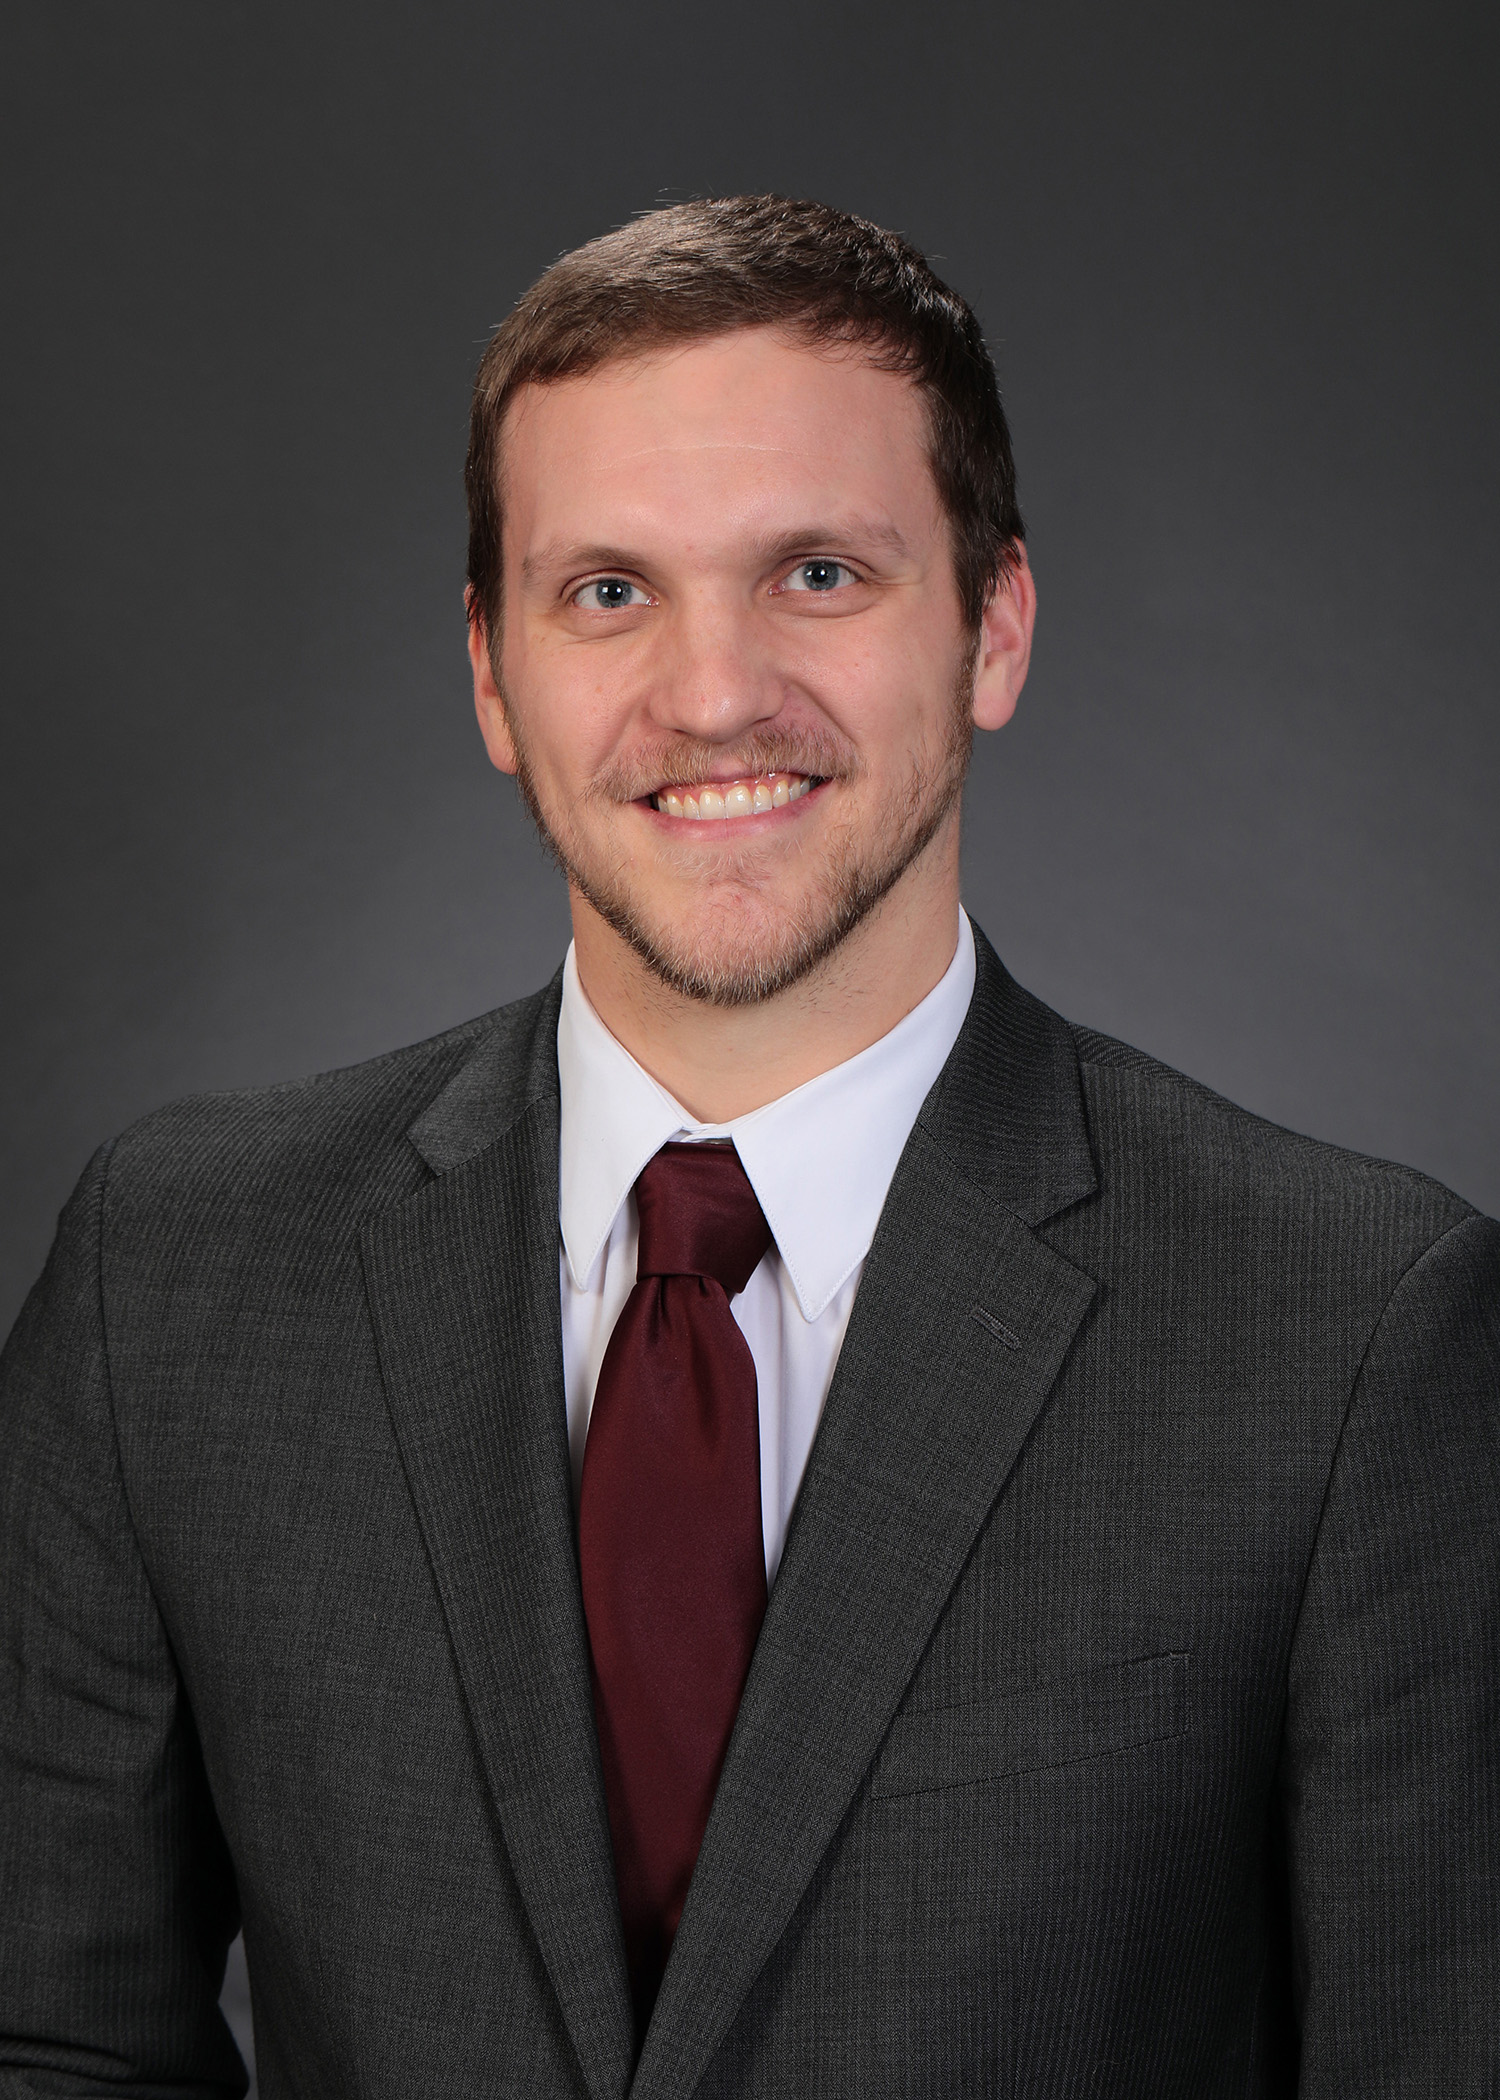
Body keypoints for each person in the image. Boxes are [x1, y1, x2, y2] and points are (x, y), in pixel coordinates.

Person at [1, 195, 1496, 2100]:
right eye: (606, 591)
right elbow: (44, 2036)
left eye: (815, 574)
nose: (711, 694)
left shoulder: (1357, 1334)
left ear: (995, 627)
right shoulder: (178, 1279)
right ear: (490, 673)